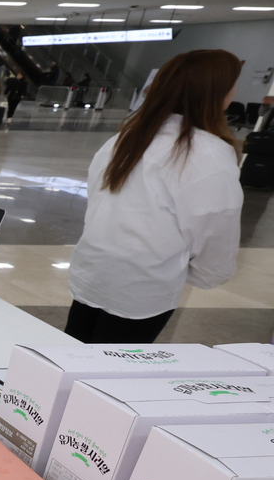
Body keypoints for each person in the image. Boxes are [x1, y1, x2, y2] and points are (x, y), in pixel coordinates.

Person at [66, 49, 244, 343]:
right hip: (142, 291)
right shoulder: (209, 155)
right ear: (216, 92)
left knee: (72, 358)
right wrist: (192, 273)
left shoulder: (127, 137)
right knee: (107, 375)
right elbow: (215, 235)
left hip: (93, 274)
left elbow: (97, 202)